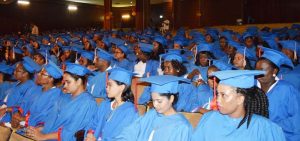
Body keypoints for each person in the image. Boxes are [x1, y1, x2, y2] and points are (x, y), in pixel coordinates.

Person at [192, 70, 286, 141]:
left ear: (240, 99)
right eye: (217, 94)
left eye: (223, 95)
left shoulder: (265, 128)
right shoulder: (209, 119)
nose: (217, 100)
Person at [25, 63, 97, 141]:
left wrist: (43, 137)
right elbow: (52, 120)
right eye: (64, 82)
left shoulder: (87, 102)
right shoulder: (65, 97)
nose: (65, 86)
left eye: (68, 82)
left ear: (79, 81)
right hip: (49, 136)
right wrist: (39, 129)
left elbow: (71, 131)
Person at [115, 75, 193, 141]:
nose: (155, 105)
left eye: (159, 101)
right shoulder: (152, 114)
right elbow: (131, 131)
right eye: (153, 100)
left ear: (171, 99)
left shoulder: (182, 126)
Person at [256, 47, 300, 141]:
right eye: (256, 69)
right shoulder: (251, 87)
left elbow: (297, 120)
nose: (258, 73)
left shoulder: (287, 90)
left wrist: (270, 125)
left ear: (274, 71)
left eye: (263, 70)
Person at [85, 67, 139, 141]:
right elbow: (93, 124)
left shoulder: (130, 112)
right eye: (107, 84)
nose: (106, 88)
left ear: (122, 87)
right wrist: (90, 133)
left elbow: (122, 138)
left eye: (110, 85)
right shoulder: (105, 104)